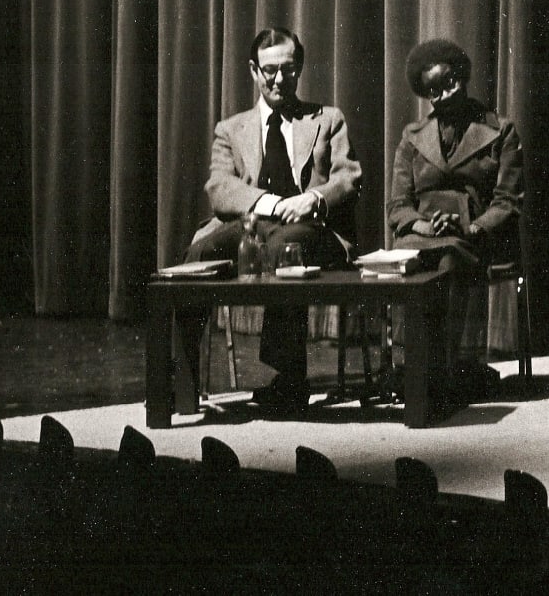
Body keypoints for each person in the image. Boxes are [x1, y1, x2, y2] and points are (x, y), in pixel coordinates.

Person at [181, 27, 362, 415]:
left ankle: (288, 378)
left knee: (286, 248)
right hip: (253, 224)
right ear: (253, 70)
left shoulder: (327, 119)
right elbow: (220, 187)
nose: (280, 79)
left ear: (299, 69)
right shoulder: (231, 129)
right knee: (199, 252)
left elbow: (348, 178)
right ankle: (182, 380)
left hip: (313, 230)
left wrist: (312, 198)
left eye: (289, 69)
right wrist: (271, 204)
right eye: (270, 71)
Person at [387, 39, 523, 386]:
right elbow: (398, 205)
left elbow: (507, 201)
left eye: (449, 82)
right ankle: (412, 367)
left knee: (450, 261)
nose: (445, 94)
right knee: (411, 263)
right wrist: (424, 226)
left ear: (462, 75)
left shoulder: (500, 131)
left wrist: (469, 227)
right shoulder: (411, 137)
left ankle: (446, 370)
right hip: (422, 235)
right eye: (433, 90)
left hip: (475, 237)